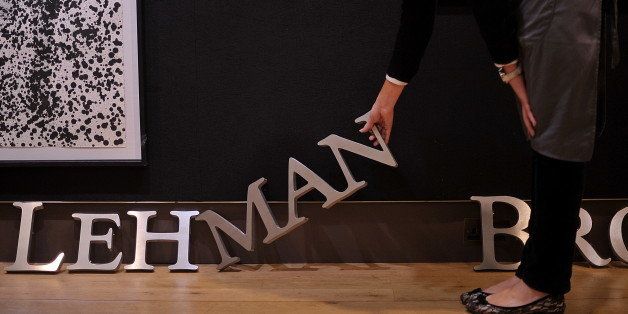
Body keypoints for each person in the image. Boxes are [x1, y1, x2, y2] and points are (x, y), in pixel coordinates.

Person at [359, 0, 620, 313]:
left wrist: (513, 76)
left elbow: (484, 7)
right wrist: (386, 101)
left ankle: (542, 285)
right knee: (544, 138)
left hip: (567, 14)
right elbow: (419, 10)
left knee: (557, 142)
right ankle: (532, 274)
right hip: (544, 13)